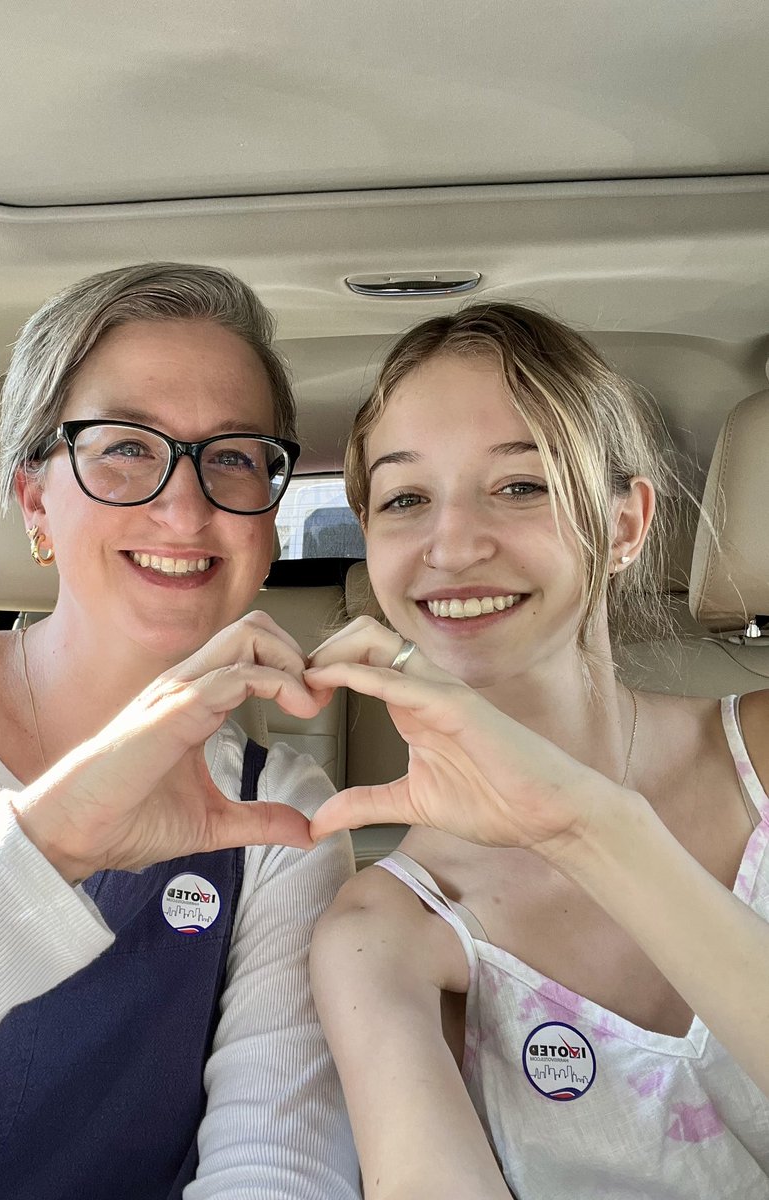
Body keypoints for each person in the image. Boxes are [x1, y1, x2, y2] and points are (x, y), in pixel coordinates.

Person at [0, 263, 359, 1198]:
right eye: (126, 446)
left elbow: (276, 1167)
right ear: (33, 498)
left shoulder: (281, 817)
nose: (185, 508)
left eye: (234, 455)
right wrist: (43, 846)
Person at [305, 302, 769, 1199]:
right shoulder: (385, 934)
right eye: (405, 499)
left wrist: (590, 828)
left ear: (627, 525)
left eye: (522, 485)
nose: (454, 543)